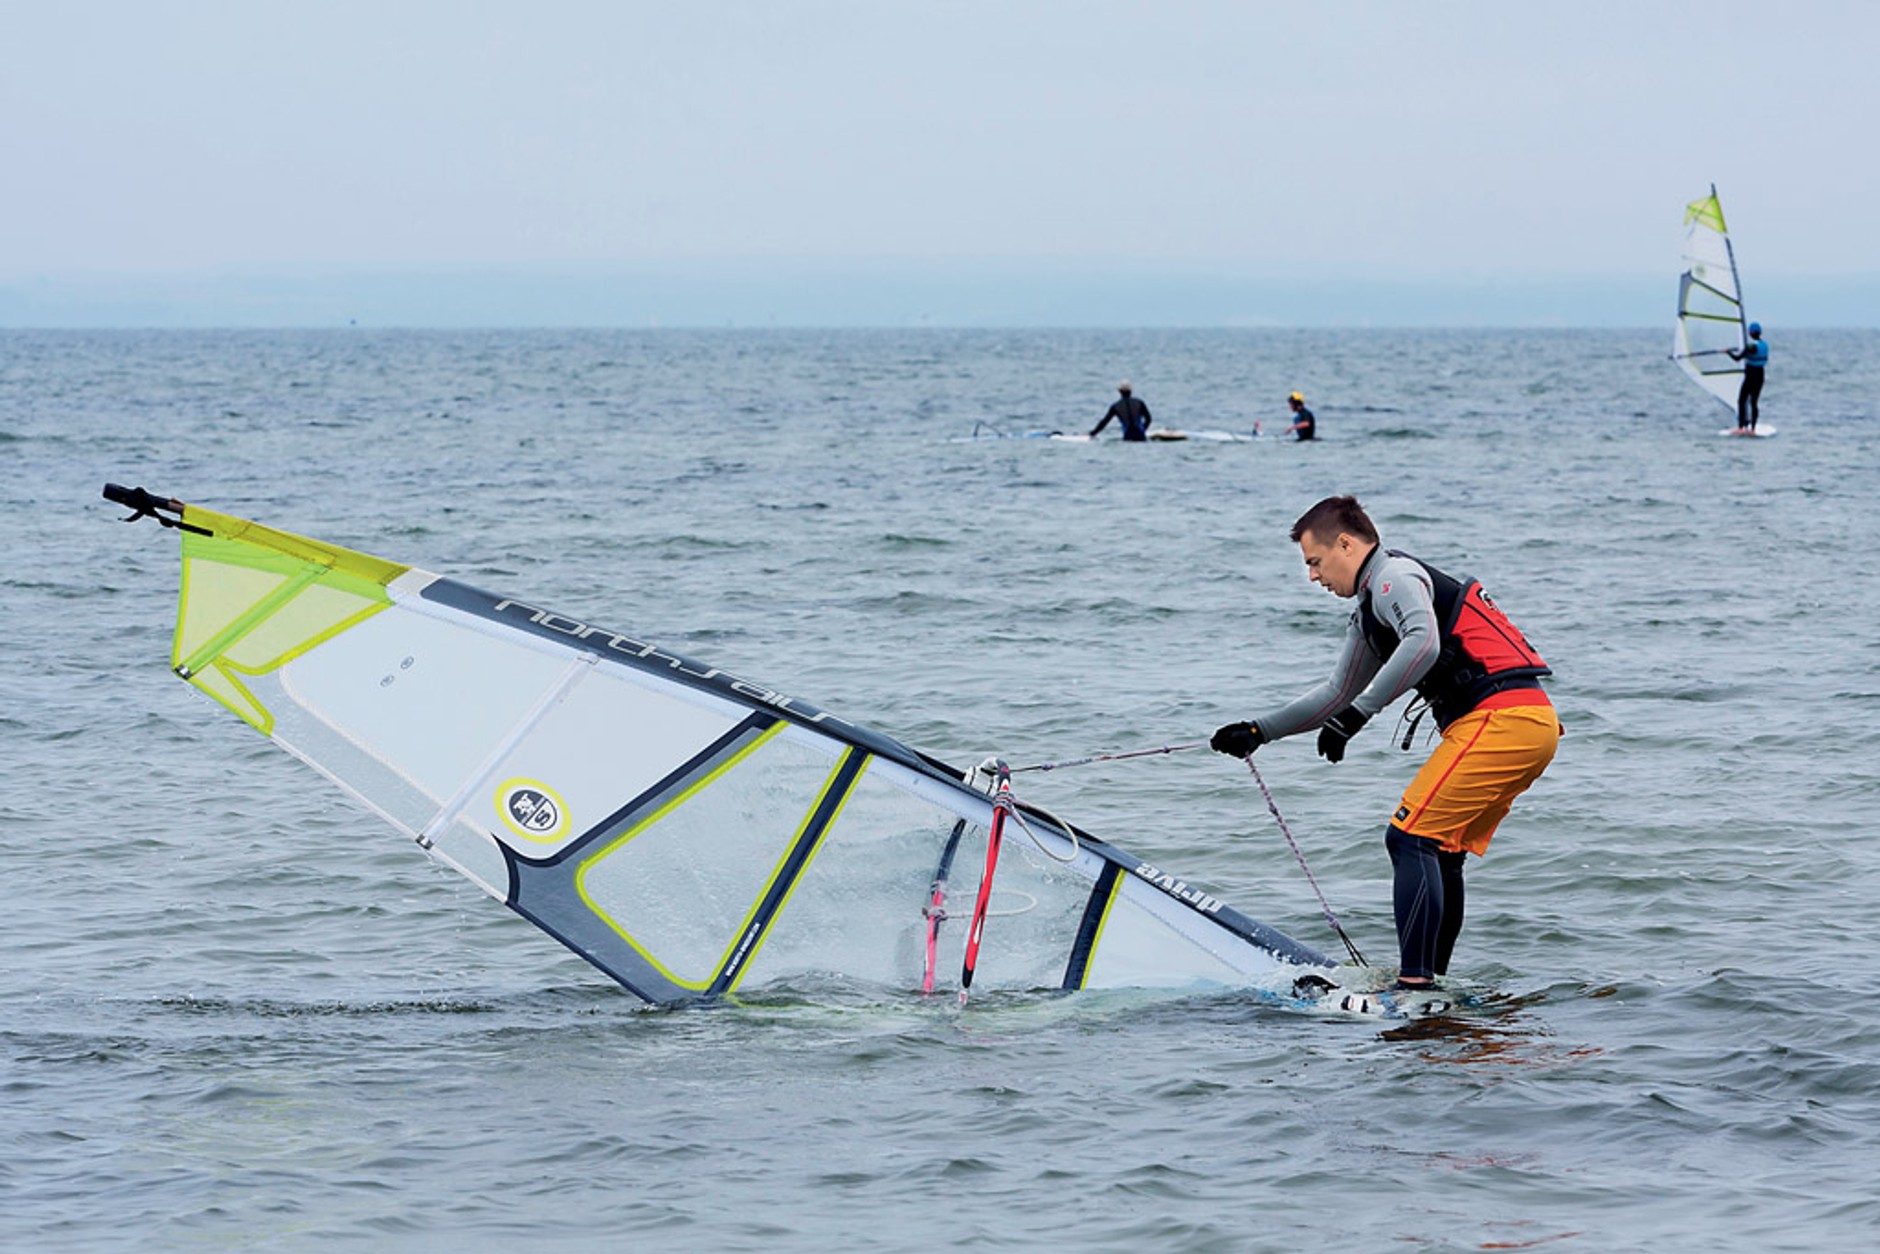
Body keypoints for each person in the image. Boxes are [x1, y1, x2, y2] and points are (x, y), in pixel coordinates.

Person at [1209, 495, 1558, 990]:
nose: (1312, 577)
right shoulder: (1369, 609)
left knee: (1408, 837)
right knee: (1437, 850)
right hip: (1528, 725)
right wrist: (1259, 731)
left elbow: (1424, 642)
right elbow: (1336, 692)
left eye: (1315, 562)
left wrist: (1359, 715)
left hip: (1503, 718)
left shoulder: (1394, 578)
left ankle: (1413, 987)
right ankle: (1432, 985)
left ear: (1346, 545)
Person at [1726, 321, 1768, 432]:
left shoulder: (1751, 346)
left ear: (1750, 333)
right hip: (1760, 376)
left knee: (1741, 400)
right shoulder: (1764, 345)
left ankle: (1740, 427)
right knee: (1754, 402)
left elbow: (1737, 358)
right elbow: (1751, 350)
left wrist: (1728, 352)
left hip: (1751, 377)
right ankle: (1753, 429)